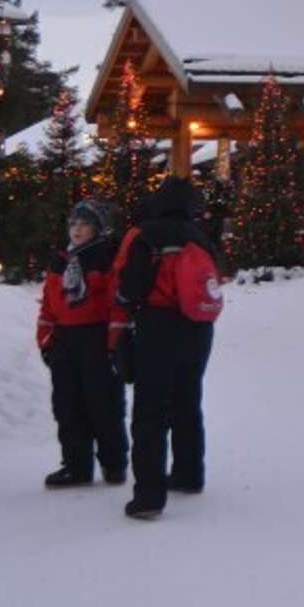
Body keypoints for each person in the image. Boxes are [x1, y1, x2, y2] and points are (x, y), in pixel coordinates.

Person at [114, 177, 216, 520]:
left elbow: (131, 286)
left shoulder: (147, 235)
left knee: (150, 411)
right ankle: (189, 474)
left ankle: (148, 496)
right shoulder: (201, 235)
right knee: (188, 400)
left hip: (158, 326)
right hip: (198, 329)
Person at [37, 198, 128, 488]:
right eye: (73, 223)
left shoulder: (106, 256)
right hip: (65, 341)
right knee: (67, 405)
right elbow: (49, 306)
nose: (77, 229)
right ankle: (76, 466)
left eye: (85, 223)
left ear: (98, 228)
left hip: (96, 339)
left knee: (104, 404)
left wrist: (115, 342)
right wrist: (46, 341)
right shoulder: (60, 261)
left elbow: (117, 302)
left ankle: (114, 464)